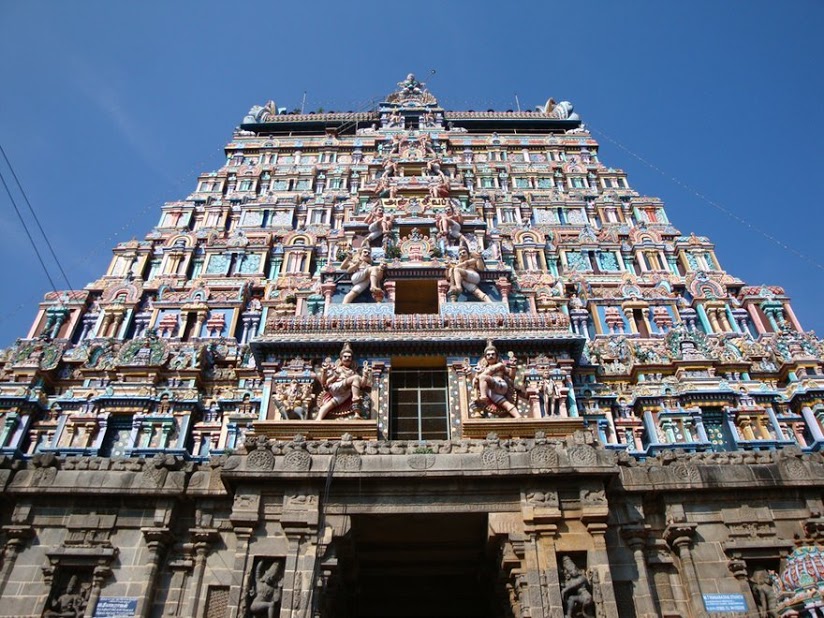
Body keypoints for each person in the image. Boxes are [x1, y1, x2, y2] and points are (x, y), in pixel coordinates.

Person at [315, 343, 369, 420]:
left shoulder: (352, 372)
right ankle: (355, 401)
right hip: (336, 387)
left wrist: (365, 374)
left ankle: (318, 419)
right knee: (356, 378)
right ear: (340, 359)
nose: (347, 358)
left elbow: (362, 385)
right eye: (345, 357)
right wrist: (324, 371)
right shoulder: (337, 369)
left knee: (327, 406)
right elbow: (324, 382)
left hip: (344, 394)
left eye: (349, 357)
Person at [473, 342, 519, 417]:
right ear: (485, 358)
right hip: (491, 391)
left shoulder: (501, 366)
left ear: (497, 356)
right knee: (506, 404)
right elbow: (476, 381)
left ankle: (483, 396)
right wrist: (476, 374)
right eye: (488, 355)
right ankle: (518, 417)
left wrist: (513, 367)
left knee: (483, 377)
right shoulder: (482, 369)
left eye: (492, 354)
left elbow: (511, 376)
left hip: (500, 385)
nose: (490, 356)